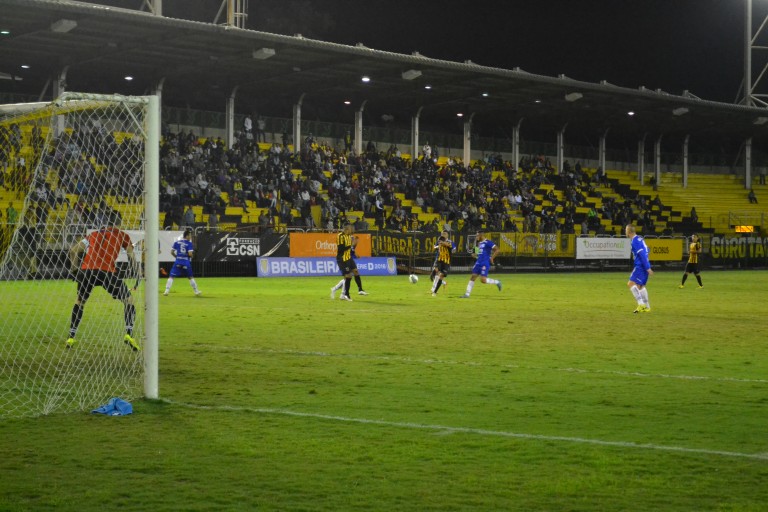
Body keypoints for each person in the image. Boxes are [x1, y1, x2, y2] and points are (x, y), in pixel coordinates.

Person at [66, 214, 141, 351]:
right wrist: (138, 273)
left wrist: (74, 271)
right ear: (119, 223)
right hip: (107, 272)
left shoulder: (93, 234)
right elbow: (131, 256)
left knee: (80, 301)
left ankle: (71, 336)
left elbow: (73, 251)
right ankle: (129, 334)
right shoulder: (122, 235)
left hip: (87, 271)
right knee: (128, 300)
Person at [460, 230, 502, 298]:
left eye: (477, 235)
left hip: (484, 263)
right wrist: (475, 255)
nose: (476, 237)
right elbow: (479, 253)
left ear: (481, 235)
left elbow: (497, 250)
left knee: (483, 280)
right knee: (473, 277)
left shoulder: (488, 242)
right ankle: (467, 294)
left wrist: (492, 258)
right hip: (478, 263)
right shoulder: (479, 244)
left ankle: (497, 282)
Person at [164, 228, 201, 296]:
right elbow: (190, 254)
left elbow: (172, 252)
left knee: (171, 277)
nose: (190, 237)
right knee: (190, 277)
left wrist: (177, 257)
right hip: (186, 262)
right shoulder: (189, 243)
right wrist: (192, 255)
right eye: (190, 236)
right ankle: (196, 291)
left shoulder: (177, 242)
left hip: (177, 262)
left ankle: (166, 291)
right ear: (186, 236)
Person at [625, 224, 654, 313]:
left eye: (626, 230)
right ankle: (647, 307)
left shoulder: (635, 241)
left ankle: (641, 304)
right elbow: (647, 250)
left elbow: (642, 254)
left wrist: (647, 267)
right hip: (644, 265)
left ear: (629, 232)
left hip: (640, 266)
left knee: (630, 284)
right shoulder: (640, 238)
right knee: (640, 286)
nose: (625, 231)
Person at [331, 223, 358, 301]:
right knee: (348, 276)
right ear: (346, 229)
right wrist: (351, 245)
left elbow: (351, 249)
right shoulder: (340, 236)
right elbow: (341, 249)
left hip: (348, 258)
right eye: (350, 229)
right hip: (342, 259)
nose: (352, 230)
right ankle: (343, 293)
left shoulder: (349, 236)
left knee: (349, 276)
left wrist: (354, 247)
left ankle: (340, 293)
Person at [431, 230, 456, 297]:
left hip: (446, 261)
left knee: (440, 275)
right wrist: (436, 247)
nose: (443, 235)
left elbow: (452, 248)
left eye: (444, 234)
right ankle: (436, 288)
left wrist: (443, 243)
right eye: (442, 233)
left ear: (447, 235)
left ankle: (434, 291)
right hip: (438, 259)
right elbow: (434, 247)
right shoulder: (439, 240)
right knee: (435, 272)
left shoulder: (450, 242)